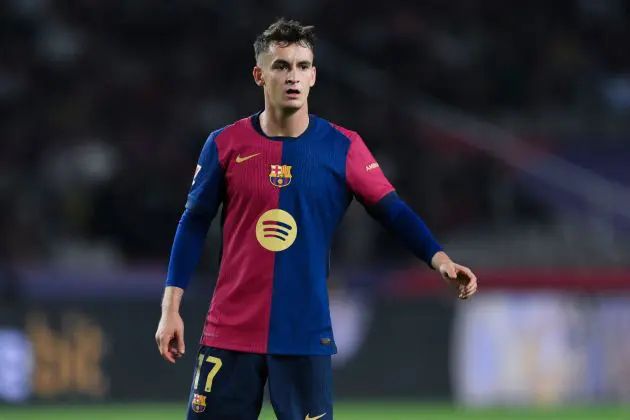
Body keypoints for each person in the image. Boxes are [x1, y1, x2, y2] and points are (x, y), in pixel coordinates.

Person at [155, 17, 478, 420]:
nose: (293, 76)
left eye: (302, 66)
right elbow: (193, 223)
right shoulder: (225, 144)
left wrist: (440, 259)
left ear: (313, 77)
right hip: (231, 332)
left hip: (304, 335)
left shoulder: (343, 147)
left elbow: (393, 211)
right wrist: (171, 309)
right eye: (281, 66)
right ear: (259, 75)